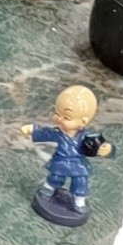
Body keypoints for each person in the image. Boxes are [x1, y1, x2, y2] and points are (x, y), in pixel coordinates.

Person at [28, 86, 111, 226]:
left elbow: (97, 147)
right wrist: (33, 130)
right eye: (57, 113)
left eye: (66, 117)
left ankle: (79, 201)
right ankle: (49, 188)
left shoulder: (86, 137)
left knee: (81, 182)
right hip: (60, 161)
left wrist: (104, 150)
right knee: (55, 177)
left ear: (83, 121)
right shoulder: (58, 133)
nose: (59, 119)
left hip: (78, 165)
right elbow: (45, 133)